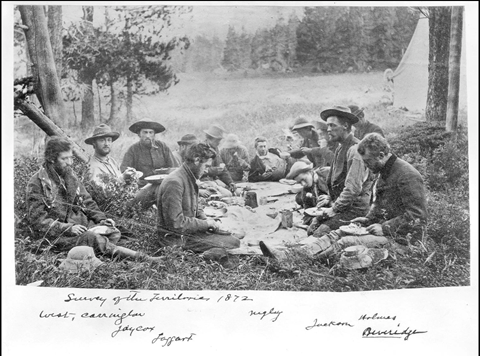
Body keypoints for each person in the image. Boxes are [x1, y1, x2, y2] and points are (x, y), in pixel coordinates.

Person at [259, 133, 428, 262]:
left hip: (403, 241)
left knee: (345, 241)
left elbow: (418, 217)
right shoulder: (385, 171)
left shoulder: (407, 175)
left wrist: (385, 227)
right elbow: (381, 204)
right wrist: (367, 219)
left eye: (368, 162)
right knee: (337, 233)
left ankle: (296, 260)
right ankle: (291, 253)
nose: (367, 166)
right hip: (385, 230)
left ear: (382, 155)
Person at [26, 136, 162, 262]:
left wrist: (101, 219)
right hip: (58, 235)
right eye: (64, 159)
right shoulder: (38, 183)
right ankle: (143, 258)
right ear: (51, 159)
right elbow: (38, 221)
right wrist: (68, 228)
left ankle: (106, 251)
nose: (70, 163)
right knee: (91, 238)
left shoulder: (70, 175)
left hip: (82, 226)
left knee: (117, 229)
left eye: (71, 158)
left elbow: (87, 201)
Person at [156, 142, 241, 255]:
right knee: (233, 242)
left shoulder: (188, 176)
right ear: (196, 160)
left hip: (187, 233)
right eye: (206, 166)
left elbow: (195, 207)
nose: (206, 171)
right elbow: (176, 224)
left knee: (231, 235)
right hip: (175, 239)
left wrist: (206, 221)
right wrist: (207, 224)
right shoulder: (175, 182)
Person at [308, 105, 374, 236]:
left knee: (319, 234)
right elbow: (337, 178)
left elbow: (353, 189)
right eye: (327, 126)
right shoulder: (340, 148)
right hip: (342, 207)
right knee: (312, 226)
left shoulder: (355, 150)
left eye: (332, 126)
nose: (328, 130)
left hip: (355, 211)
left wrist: (334, 208)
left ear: (345, 125)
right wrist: (329, 197)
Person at [120, 118, 179, 209]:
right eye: (145, 132)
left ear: (154, 134)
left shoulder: (162, 147)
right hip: (142, 188)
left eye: (151, 132)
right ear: (139, 134)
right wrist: (131, 173)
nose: (148, 136)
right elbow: (124, 169)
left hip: (163, 186)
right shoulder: (133, 150)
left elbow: (174, 168)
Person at [201, 125, 235, 197]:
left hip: (213, 181)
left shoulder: (215, 148)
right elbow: (195, 171)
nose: (219, 143)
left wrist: (230, 182)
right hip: (202, 182)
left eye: (220, 140)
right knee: (227, 194)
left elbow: (222, 167)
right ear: (209, 138)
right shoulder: (200, 149)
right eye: (217, 140)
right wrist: (212, 171)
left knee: (235, 192)